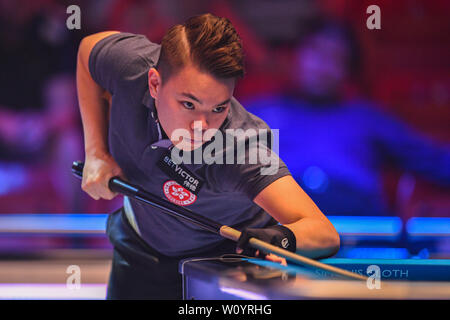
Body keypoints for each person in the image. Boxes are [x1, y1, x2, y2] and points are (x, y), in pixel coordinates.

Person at [76, 13, 339, 300]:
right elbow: (88, 50)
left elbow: (324, 233)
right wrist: (96, 152)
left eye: (218, 108)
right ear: (154, 84)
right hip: (140, 249)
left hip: (220, 270)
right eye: (188, 104)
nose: (201, 127)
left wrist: (280, 239)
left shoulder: (238, 148)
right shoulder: (129, 65)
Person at [245, 21, 450, 217]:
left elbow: (433, 160)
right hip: (274, 230)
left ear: (348, 71)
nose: (322, 66)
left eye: (335, 57)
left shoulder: (367, 118)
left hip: (358, 230)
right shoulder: (257, 114)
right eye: (315, 53)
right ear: (296, 56)